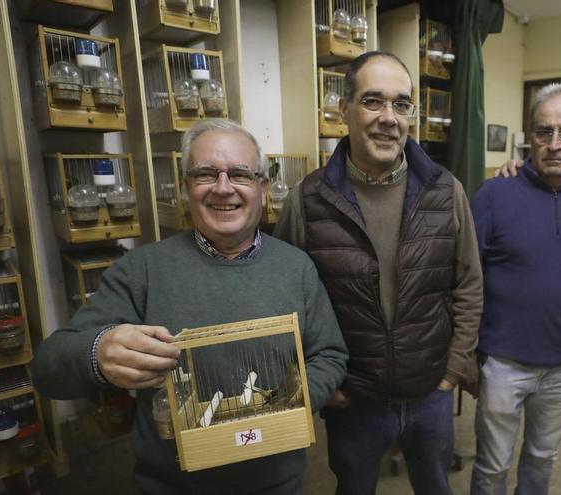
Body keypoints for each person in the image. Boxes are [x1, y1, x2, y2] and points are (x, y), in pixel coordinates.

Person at [31, 119, 348, 494]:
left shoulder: (297, 267)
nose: (223, 188)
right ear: (186, 188)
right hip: (174, 486)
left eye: (240, 174)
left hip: (276, 483)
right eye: (205, 174)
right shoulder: (142, 271)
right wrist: (98, 352)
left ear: (263, 188)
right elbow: (48, 369)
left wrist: (288, 405)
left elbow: (329, 354)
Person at [273, 51, 483, 494]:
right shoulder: (307, 199)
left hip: (431, 391)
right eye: (373, 101)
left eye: (401, 104)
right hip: (353, 399)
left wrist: (453, 368)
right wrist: (323, 383)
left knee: (435, 487)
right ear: (343, 110)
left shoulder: (447, 191)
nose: (389, 117)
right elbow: (286, 301)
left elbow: (468, 283)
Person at [470, 82, 561, 495]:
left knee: (541, 459)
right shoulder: (495, 193)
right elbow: (466, 277)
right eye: (543, 131)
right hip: (502, 362)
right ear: (528, 137)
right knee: (492, 466)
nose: (554, 143)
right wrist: (465, 352)